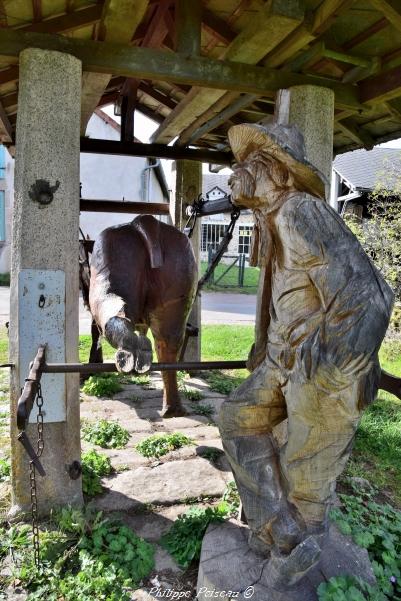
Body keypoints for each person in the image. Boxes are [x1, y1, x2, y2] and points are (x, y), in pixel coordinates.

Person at [219, 122, 394, 585]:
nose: (238, 174)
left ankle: (298, 554)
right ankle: (280, 527)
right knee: (238, 418)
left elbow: (371, 295)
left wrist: (329, 368)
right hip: (282, 361)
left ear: (279, 176)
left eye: (252, 166)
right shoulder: (273, 221)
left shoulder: (301, 212)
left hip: (317, 369)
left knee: (308, 477)